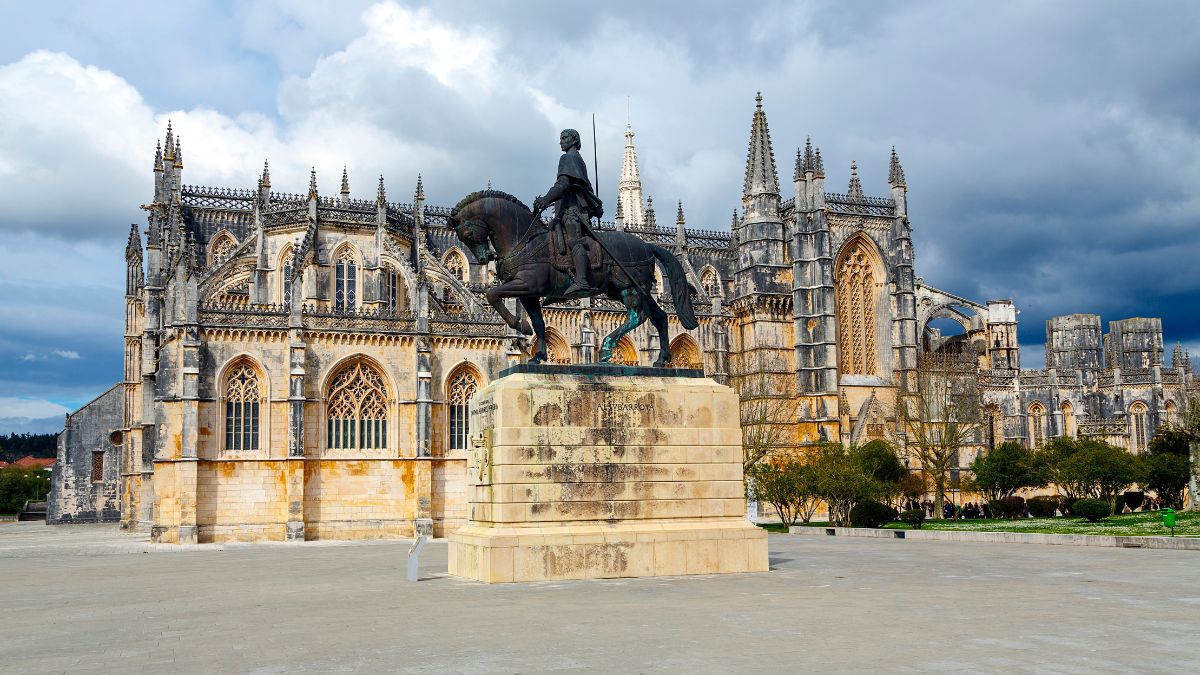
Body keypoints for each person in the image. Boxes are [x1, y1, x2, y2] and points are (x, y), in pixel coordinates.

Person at [532, 128, 605, 295]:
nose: (561, 141)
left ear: (574, 140)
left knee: (574, 241)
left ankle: (582, 281)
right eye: (560, 138)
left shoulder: (568, 158)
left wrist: (545, 199)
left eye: (565, 137)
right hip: (568, 209)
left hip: (572, 211)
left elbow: (563, 184)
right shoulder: (577, 159)